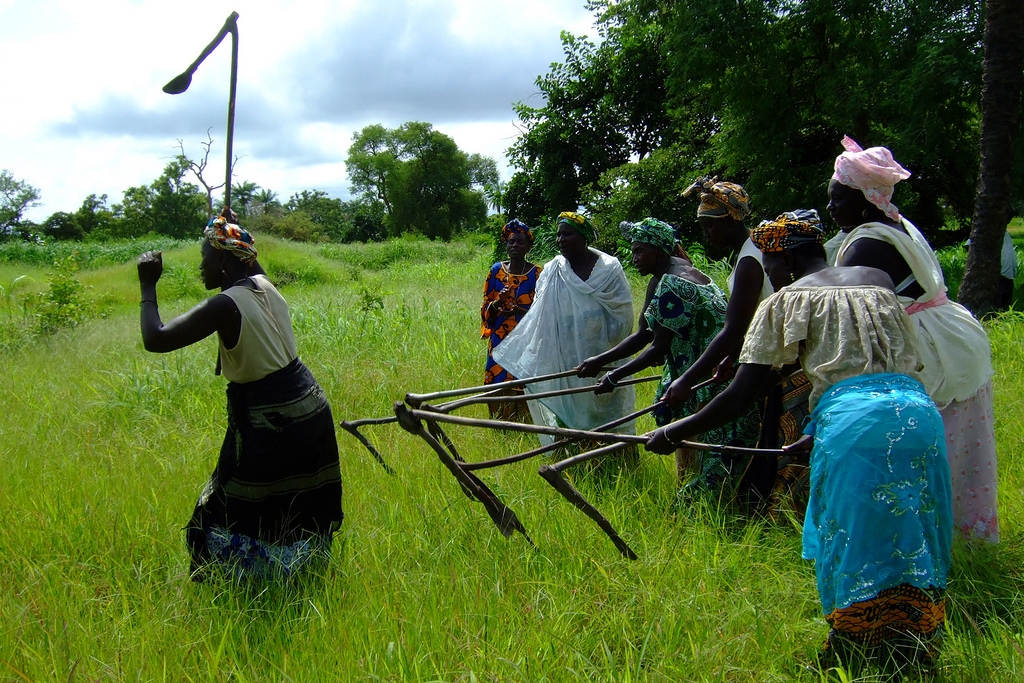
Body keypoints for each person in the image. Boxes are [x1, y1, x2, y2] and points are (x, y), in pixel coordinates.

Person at [646, 211, 952, 671]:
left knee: (850, 539)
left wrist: (674, 431)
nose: (771, 277)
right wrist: (811, 431)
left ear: (783, 258)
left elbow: (741, 395)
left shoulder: (788, 299)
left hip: (854, 424)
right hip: (917, 414)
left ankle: (852, 655)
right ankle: (914, 646)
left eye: (771, 268)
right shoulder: (877, 280)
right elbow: (867, 365)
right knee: (915, 531)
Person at [137, 212, 343, 581]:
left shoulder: (225, 304)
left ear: (224, 259)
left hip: (271, 417)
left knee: (225, 507)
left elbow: (157, 339)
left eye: (205, 256)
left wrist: (148, 285)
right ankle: (297, 570)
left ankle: (247, 579)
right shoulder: (264, 284)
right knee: (297, 498)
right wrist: (230, 228)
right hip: (308, 405)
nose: (201, 266)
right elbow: (249, 262)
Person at [830, 135, 998, 542]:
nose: (832, 208)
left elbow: (842, 314)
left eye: (838, 199)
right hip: (956, 338)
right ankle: (962, 538)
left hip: (932, 351)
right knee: (961, 449)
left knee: (919, 451)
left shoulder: (865, 244)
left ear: (863, 198)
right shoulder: (895, 224)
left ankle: (921, 543)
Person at [576, 218, 761, 499]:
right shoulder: (676, 273)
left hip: (706, 375)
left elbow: (657, 348)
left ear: (660, 251)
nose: (634, 258)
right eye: (633, 251)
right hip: (708, 368)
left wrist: (614, 375)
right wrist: (599, 361)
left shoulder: (674, 283)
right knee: (692, 441)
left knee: (704, 452)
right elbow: (643, 335)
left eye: (640, 251)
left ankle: (696, 504)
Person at [665, 177, 797, 504]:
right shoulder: (751, 253)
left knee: (749, 449)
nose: (705, 233)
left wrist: (686, 380)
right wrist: (730, 358)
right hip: (764, 359)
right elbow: (750, 323)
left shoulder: (751, 259)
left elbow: (733, 329)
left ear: (729, 220)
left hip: (772, 366)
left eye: (709, 225)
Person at [492, 211, 635, 444]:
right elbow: (540, 316)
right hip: (566, 359)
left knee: (607, 413)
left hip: (604, 355)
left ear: (584, 236)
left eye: (567, 234)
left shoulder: (609, 269)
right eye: (558, 235)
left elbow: (623, 319)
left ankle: (613, 456)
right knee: (569, 410)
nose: (561, 240)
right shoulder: (552, 271)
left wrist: (594, 337)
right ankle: (574, 458)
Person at [480, 219, 542, 420]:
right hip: (499, 338)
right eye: (511, 242)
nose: (514, 245)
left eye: (520, 242)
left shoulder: (537, 273)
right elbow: (486, 309)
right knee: (498, 378)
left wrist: (518, 309)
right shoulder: (496, 271)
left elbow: (542, 311)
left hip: (526, 340)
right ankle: (501, 424)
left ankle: (525, 423)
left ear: (529, 247)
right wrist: (499, 302)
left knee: (523, 380)